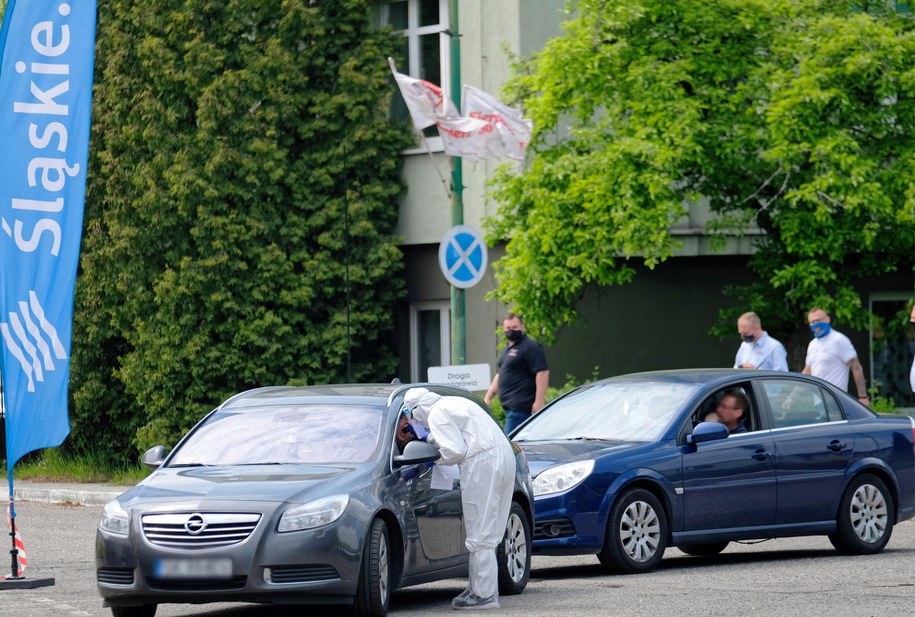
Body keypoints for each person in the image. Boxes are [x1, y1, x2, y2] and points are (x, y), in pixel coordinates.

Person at [403, 387, 515, 610]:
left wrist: (431, 460)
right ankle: (479, 589)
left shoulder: (436, 413)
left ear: (417, 408)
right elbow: (459, 434)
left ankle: (484, 596)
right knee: (489, 531)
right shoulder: (453, 403)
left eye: (413, 416)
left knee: (480, 530)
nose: (417, 421)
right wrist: (432, 439)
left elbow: (455, 451)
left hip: (482, 463)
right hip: (503, 457)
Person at [484, 313, 549, 434]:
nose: (511, 331)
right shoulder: (505, 350)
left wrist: (539, 401)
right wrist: (488, 397)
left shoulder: (530, 347)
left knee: (510, 447)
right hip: (509, 409)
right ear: (503, 329)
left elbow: (542, 373)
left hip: (521, 409)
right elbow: (500, 374)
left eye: (514, 327)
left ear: (522, 327)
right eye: (508, 328)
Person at [802, 307, 869, 405]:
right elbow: (807, 371)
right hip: (818, 402)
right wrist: (790, 397)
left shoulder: (839, 340)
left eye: (818, 320)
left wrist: (863, 397)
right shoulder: (813, 344)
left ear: (827, 319)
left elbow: (856, 367)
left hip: (836, 401)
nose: (815, 324)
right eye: (812, 322)